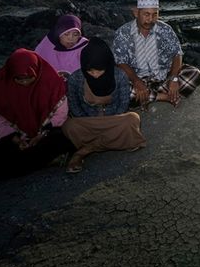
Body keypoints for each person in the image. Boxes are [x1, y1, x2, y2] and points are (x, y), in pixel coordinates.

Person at [0, 49, 74, 187]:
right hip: (19, 137)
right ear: (11, 76)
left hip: (47, 134)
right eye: (19, 79)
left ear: (37, 72)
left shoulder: (51, 83)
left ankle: (9, 170)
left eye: (29, 78)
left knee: (63, 139)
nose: (25, 82)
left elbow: (60, 114)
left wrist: (41, 135)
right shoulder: (2, 88)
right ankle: (40, 162)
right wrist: (15, 139)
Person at [62, 38, 146, 173]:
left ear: (107, 64)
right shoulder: (75, 79)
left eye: (99, 70)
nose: (95, 75)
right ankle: (113, 141)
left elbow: (123, 105)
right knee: (69, 126)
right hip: (89, 122)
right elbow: (74, 106)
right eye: (90, 71)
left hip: (113, 120)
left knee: (132, 118)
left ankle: (86, 150)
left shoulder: (119, 76)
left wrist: (108, 122)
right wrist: (91, 122)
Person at [113, 0, 200, 108]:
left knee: (194, 74)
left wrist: (173, 79)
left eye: (155, 14)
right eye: (146, 14)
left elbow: (177, 54)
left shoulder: (165, 29)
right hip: (138, 80)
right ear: (136, 13)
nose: (150, 20)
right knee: (119, 89)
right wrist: (136, 81)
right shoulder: (123, 33)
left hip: (164, 78)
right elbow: (120, 62)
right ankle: (165, 97)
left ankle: (149, 97)